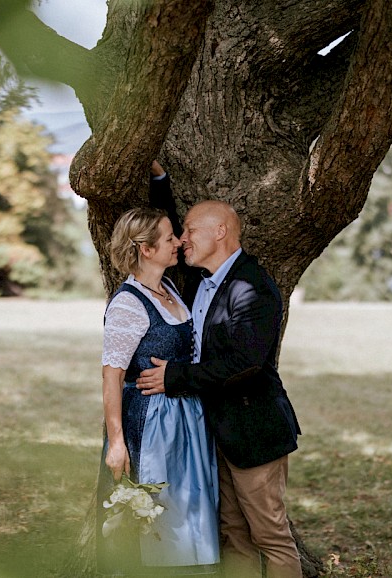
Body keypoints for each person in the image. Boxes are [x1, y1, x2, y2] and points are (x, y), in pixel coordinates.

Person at [138, 171, 304, 578]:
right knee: (232, 534)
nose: (182, 239)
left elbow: (244, 364)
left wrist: (175, 378)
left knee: (270, 537)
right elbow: (170, 228)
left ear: (222, 231)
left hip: (253, 431)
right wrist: (159, 181)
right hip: (217, 433)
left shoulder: (252, 287)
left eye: (191, 231)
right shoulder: (200, 281)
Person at [96, 206, 220, 577]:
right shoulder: (128, 304)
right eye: (169, 238)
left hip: (184, 422)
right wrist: (117, 443)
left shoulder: (168, 288)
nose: (178, 242)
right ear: (146, 249)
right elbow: (111, 378)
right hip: (150, 425)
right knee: (155, 513)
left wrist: (158, 175)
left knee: (188, 511)